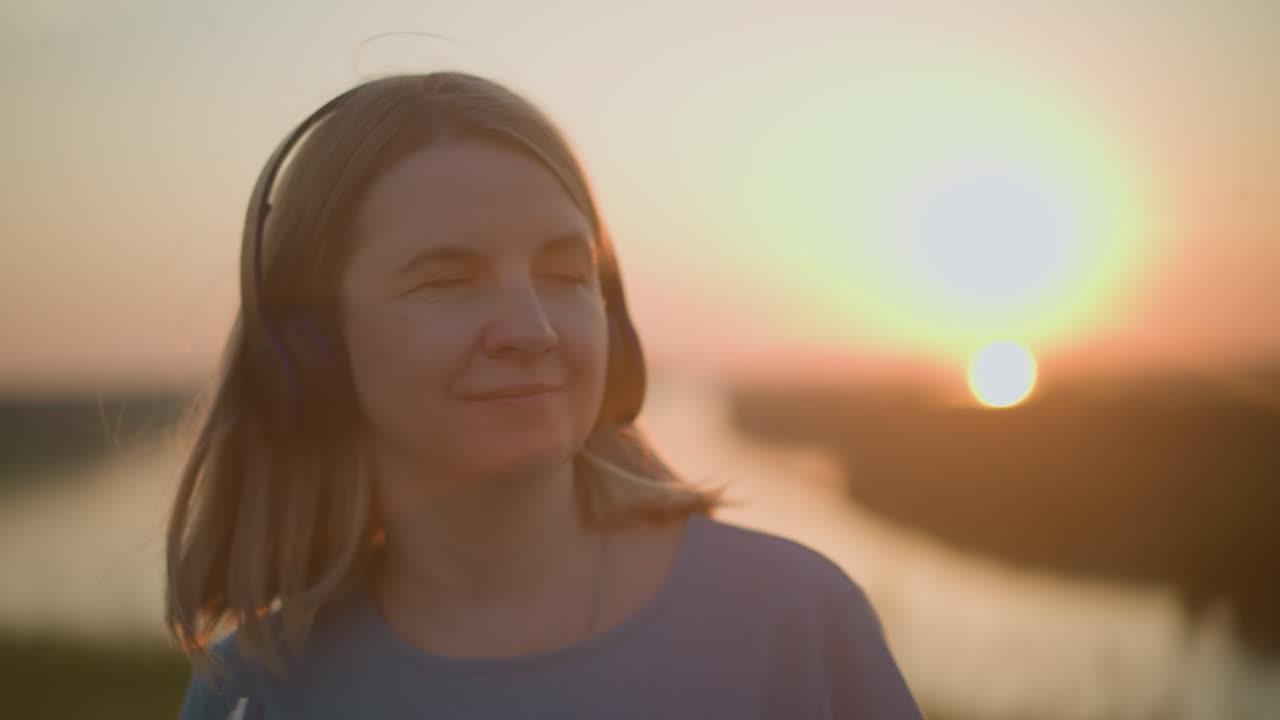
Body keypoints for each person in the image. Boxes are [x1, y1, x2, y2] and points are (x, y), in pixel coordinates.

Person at [168, 71, 924, 719]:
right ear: (310, 349)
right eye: (449, 279)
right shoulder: (253, 693)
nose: (531, 329)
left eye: (565, 275)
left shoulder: (792, 622)